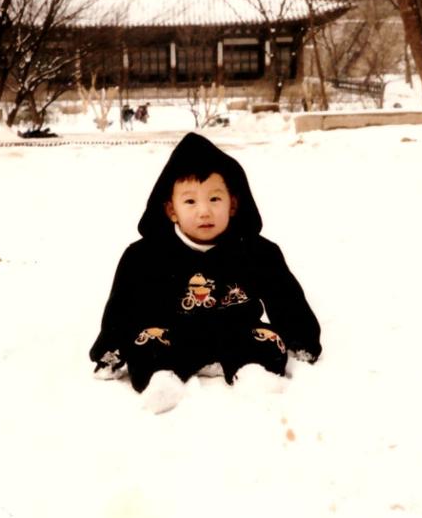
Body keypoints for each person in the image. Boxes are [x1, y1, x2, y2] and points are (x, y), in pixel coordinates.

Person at [89, 132, 321, 399]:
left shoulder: (257, 251)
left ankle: (254, 376)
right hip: (170, 336)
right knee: (145, 344)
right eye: (190, 201)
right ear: (171, 210)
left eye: (214, 199)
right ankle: (162, 382)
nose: (204, 211)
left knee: (268, 342)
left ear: (233, 204)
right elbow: (123, 307)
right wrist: (110, 350)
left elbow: (285, 298)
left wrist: (302, 340)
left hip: (237, 333)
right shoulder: (144, 255)